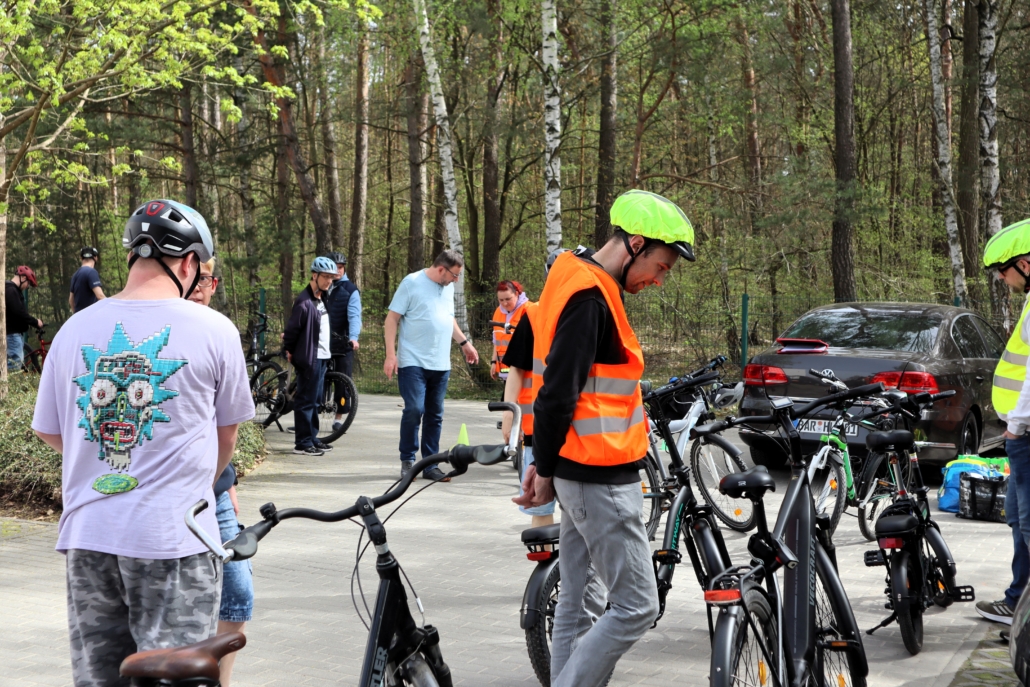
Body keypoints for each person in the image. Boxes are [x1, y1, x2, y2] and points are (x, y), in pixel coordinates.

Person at [30, 199, 255, 687]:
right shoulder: (215, 330)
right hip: (174, 538)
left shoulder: (73, 329)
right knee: (174, 679)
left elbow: (49, 429)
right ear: (190, 263)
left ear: (133, 255)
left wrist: (107, 463)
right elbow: (227, 435)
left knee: (99, 679)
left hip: (89, 536)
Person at [514, 190, 695, 686]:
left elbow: (568, 383)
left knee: (576, 604)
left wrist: (545, 463)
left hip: (578, 471)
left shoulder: (572, 274)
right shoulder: (591, 298)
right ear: (635, 245)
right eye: (660, 266)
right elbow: (558, 392)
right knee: (637, 606)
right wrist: (543, 467)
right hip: (599, 477)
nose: (658, 279)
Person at [188, 257, 252, 687]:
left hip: (215, 489)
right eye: (193, 276)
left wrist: (228, 482)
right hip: (176, 498)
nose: (199, 286)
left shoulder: (220, 333)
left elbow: (228, 425)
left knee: (238, 593)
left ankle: (221, 681)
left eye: (207, 279)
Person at [384, 250, 480, 481]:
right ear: (441, 269)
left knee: (435, 414)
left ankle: (430, 465)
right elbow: (392, 318)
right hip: (413, 361)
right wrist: (390, 355)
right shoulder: (412, 283)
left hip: (440, 363)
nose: (456, 280)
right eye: (454, 275)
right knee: (414, 409)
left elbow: (448, 318)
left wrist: (464, 343)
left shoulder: (447, 288)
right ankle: (408, 461)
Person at [978, 217, 1030, 625]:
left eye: (1002, 268)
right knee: (1016, 518)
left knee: (1027, 524)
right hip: (1021, 434)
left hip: (1025, 433)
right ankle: (1018, 604)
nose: (1000, 277)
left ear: (1025, 263)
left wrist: (1017, 426)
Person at [283, 256, 338, 456]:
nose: (329, 281)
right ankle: (302, 443)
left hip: (322, 357)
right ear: (314, 275)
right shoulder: (304, 302)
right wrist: (290, 350)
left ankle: (312, 438)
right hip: (309, 358)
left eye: (331, 277)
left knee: (315, 400)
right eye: (325, 277)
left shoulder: (321, 298)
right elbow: (292, 331)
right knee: (306, 401)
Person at [325, 251, 362, 431]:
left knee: (342, 383)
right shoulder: (323, 286)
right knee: (316, 381)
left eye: (341, 267)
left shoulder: (350, 290)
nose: (338, 271)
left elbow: (355, 316)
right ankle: (309, 419)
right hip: (322, 342)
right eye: (335, 268)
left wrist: (353, 338)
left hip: (342, 343)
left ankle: (338, 419)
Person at [6, 265, 43, 371]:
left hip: (14, 334)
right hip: (12, 334)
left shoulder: (12, 290)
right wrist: (35, 322)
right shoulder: (11, 290)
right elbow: (19, 313)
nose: (27, 286)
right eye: (28, 283)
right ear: (23, 278)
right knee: (14, 365)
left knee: (15, 363)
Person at [490, 280, 529, 381]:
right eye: (501, 300)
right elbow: (496, 341)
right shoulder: (498, 312)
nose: (505, 303)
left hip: (522, 369)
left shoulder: (528, 310)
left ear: (516, 294)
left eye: (508, 299)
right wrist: (493, 362)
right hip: (505, 369)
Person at [69, 246, 106, 312]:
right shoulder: (91, 272)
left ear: (81, 258)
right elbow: (100, 296)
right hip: (92, 315)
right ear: (96, 258)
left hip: (80, 316)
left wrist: (77, 314)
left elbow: (71, 300)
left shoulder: (75, 275)